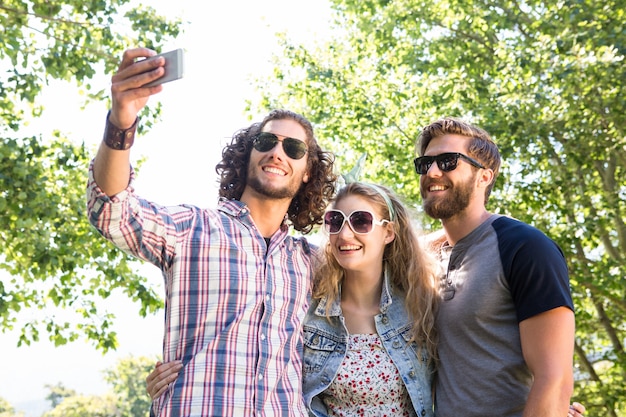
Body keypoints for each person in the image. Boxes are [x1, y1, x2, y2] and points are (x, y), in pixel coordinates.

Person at [87, 47, 336, 416]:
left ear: (307, 172)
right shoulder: (193, 228)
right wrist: (122, 119)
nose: (277, 153)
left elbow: (383, 281)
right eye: (266, 142)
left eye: (294, 148)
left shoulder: (313, 262)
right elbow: (112, 212)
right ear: (247, 155)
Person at [414, 116, 576, 417]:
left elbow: (554, 379)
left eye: (449, 161)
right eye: (425, 164)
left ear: (485, 176)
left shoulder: (525, 248)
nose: (433, 172)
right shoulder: (426, 259)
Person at [302, 181, 438, 416]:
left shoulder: (421, 307)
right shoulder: (310, 312)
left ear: (388, 232)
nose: (344, 234)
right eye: (335, 221)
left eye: (360, 221)